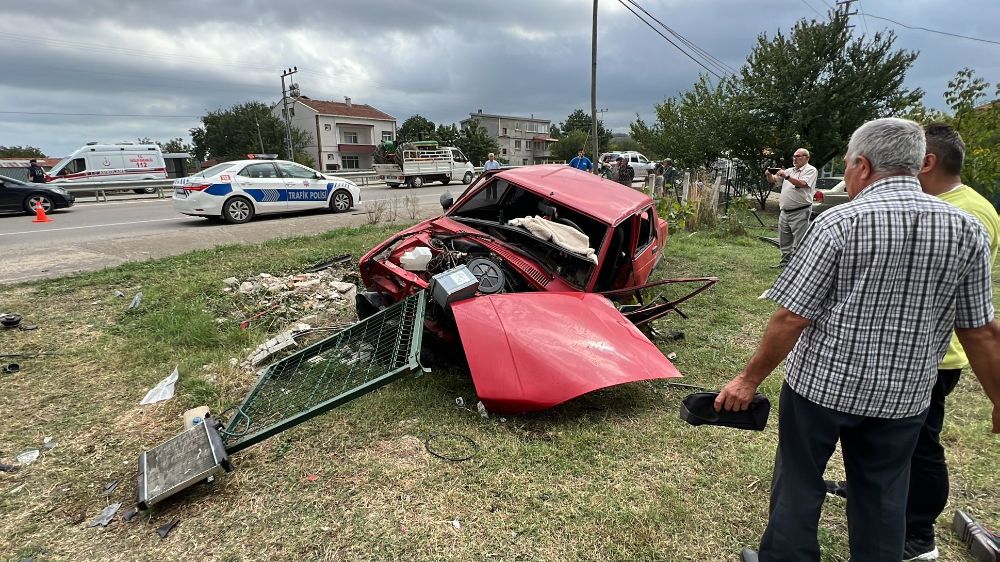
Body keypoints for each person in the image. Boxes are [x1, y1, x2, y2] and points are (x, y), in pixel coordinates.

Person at [717, 118, 1000, 562]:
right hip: (904, 396)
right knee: (884, 496)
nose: (846, 176)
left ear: (863, 166)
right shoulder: (967, 230)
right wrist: (999, 399)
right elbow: (980, 329)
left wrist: (747, 380)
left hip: (821, 388)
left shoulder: (838, 223)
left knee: (799, 481)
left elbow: (791, 317)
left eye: (848, 166)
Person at [822, 122, 1000, 561]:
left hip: (931, 358)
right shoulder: (941, 205)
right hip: (892, 351)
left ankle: (918, 533)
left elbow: (975, 321)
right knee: (884, 444)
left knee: (920, 449)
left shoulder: (967, 216)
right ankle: (868, 490)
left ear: (926, 161)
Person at [767, 148, 817, 268]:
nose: (795, 158)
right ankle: (784, 264)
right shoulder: (790, 170)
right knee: (784, 240)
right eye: (794, 156)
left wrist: (787, 176)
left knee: (799, 241)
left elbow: (803, 184)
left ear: (807, 158)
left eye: (798, 156)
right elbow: (773, 181)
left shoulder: (810, 170)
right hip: (784, 211)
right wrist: (769, 175)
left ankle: (798, 266)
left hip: (800, 210)